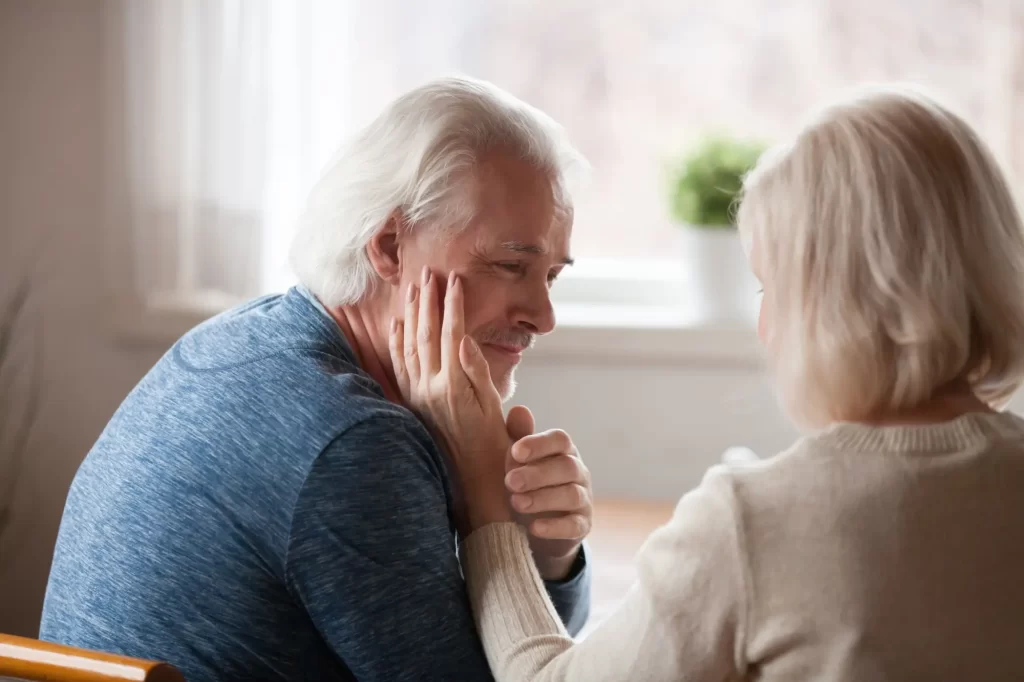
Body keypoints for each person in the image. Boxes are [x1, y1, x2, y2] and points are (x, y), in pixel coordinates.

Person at [397, 85, 1024, 681]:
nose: (766, 324)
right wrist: (552, 556)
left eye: (769, 286)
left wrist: (482, 486)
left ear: (835, 301)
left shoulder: (755, 524)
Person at [39, 76, 595, 682]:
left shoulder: (248, 337)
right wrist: (484, 488)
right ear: (388, 248)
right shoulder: (352, 443)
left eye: (551, 276)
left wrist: (547, 552)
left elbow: (527, 658)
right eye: (511, 265)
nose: (543, 316)